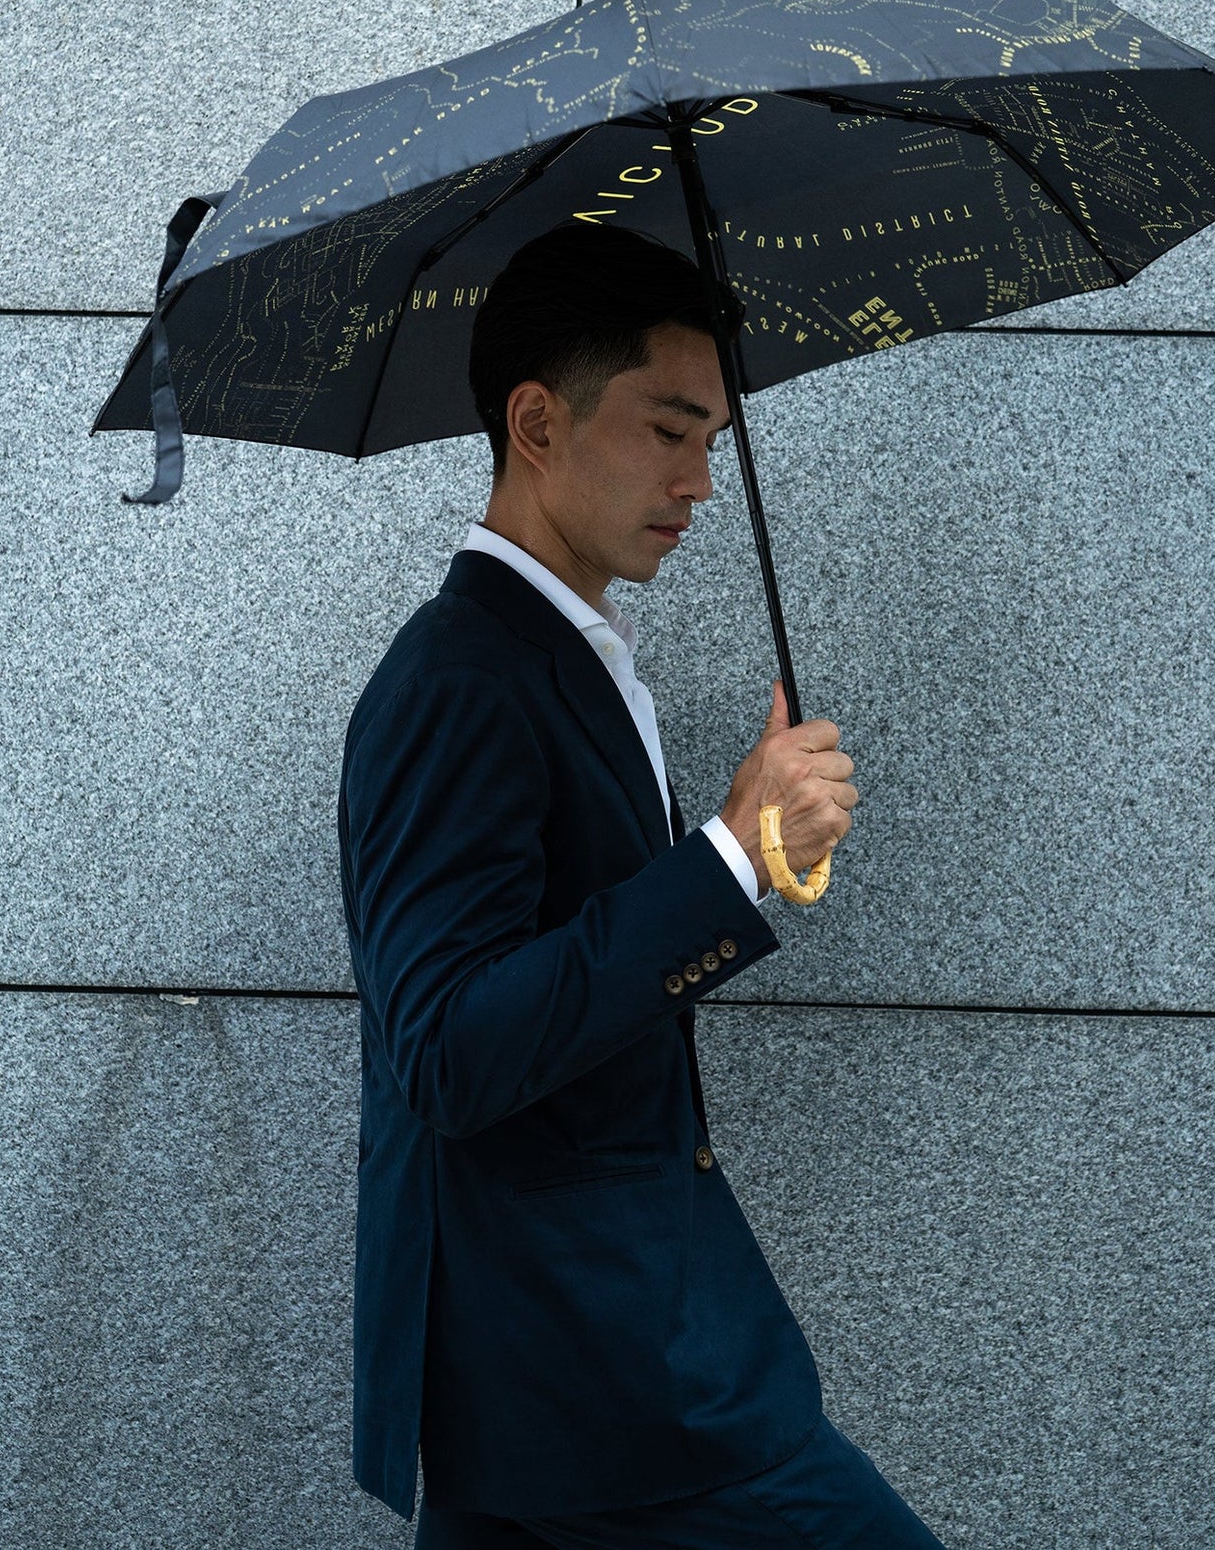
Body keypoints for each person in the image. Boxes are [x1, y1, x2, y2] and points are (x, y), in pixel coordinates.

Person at [336, 220, 948, 1549]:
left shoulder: (566, 654)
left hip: (569, 1383)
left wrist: (756, 856)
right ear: (537, 422)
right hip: (609, 1380)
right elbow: (444, 1046)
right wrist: (727, 854)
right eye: (667, 429)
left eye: (712, 440)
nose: (699, 479)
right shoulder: (460, 682)